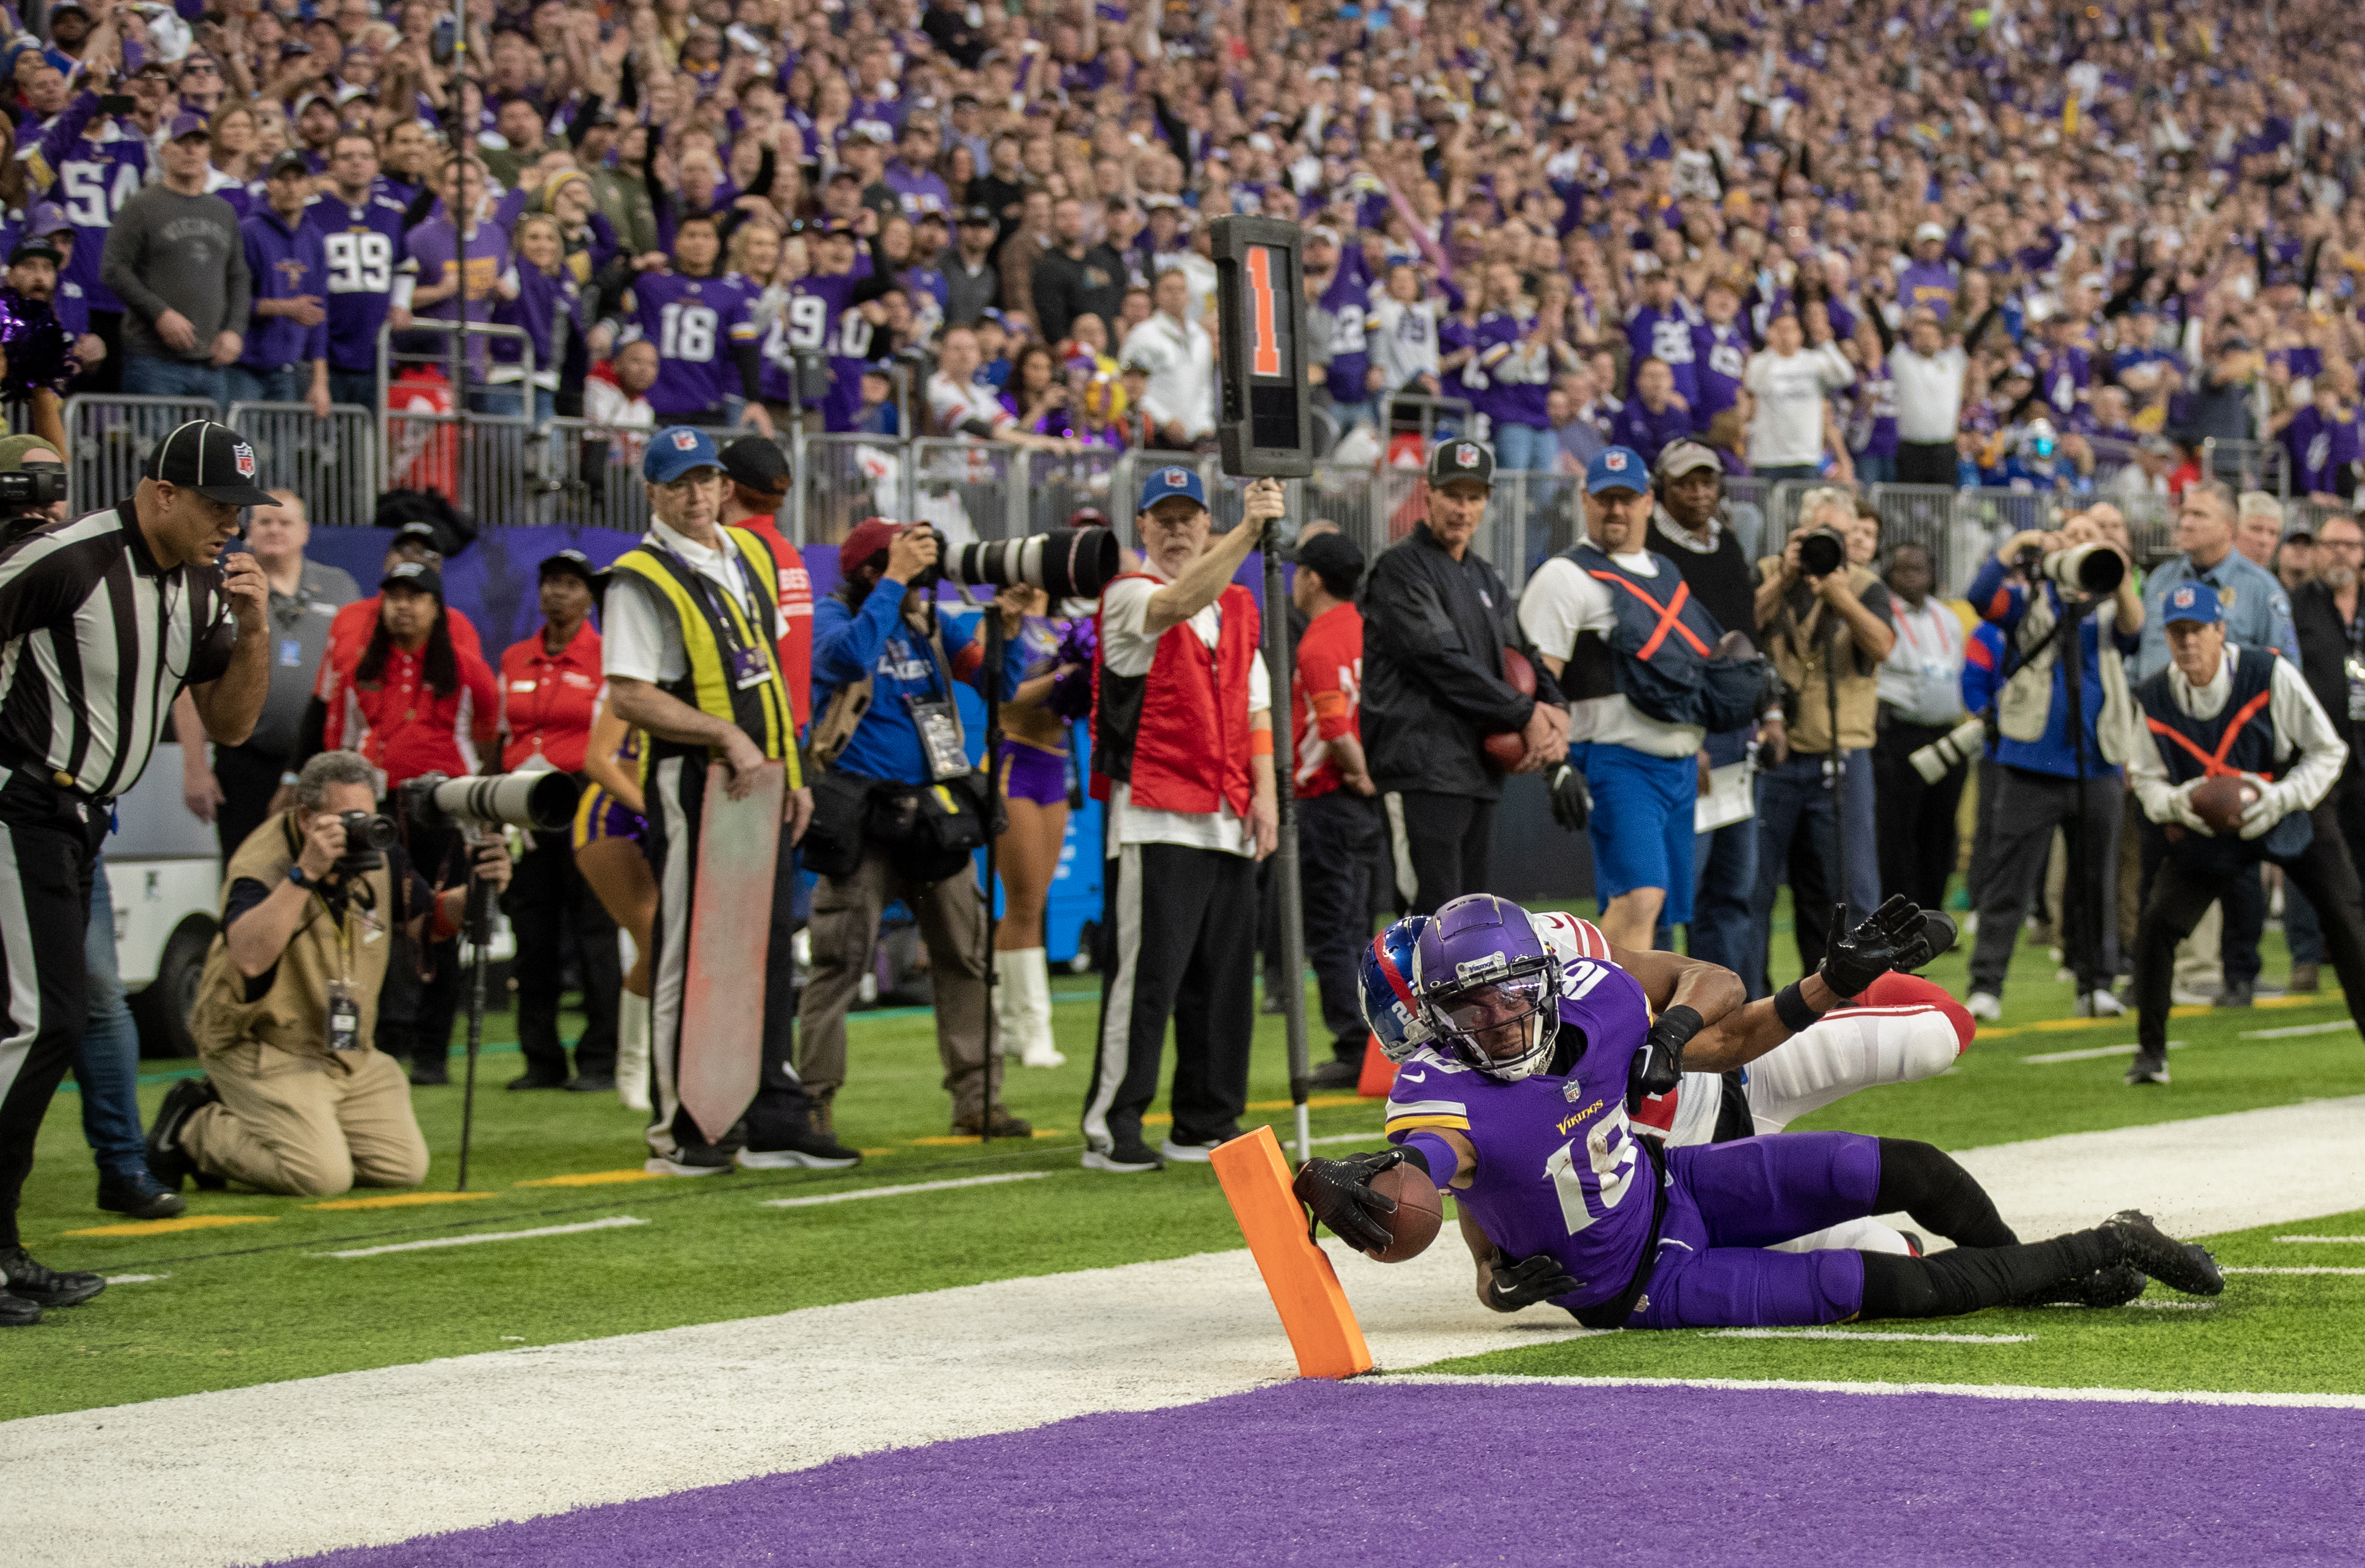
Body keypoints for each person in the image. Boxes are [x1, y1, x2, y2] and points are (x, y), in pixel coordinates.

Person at [1299, 892, 2223, 1327]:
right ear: (1434, 1017)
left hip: (1679, 1172)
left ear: (1544, 971)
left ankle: (2039, 1269)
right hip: (1643, 1287)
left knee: (1907, 1166)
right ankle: (2104, 1245)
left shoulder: (1595, 989)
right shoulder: (1442, 1092)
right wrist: (1379, 1197)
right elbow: (1429, 1171)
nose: (1497, 1020)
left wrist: (1826, 983)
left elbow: (1733, 1026)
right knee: (1893, 1280)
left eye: (1509, 995)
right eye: (1468, 1008)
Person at [0, 417, 272, 1327]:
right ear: (161, 493)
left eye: (240, 506)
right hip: (21, 802)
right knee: (40, 1021)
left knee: (54, 1020)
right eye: (216, 504)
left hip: (83, 820)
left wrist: (257, 624)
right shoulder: (69, 557)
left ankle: (3, 1244)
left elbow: (231, 724)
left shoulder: (200, 587)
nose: (230, 522)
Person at [144, 751, 512, 1198]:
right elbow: (250, 958)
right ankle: (194, 1126)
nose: (363, 831)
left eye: (368, 816)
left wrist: (479, 889)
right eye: (347, 820)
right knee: (322, 1177)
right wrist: (306, 873)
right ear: (305, 818)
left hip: (345, 1049)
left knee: (402, 1168)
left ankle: (303, 1123)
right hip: (263, 1043)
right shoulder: (261, 863)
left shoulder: (378, 851)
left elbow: (429, 920)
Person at [604, 426, 822, 1175]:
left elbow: (767, 677)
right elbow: (629, 696)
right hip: (692, 778)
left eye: (706, 481)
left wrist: (791, 774)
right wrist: (723, 737)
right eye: (680, 485)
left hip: (762, 778)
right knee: (688, 953)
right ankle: (681, 1129)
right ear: (653, 493)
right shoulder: (639, 574)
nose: (697, 497)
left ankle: (761, 1114)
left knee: (760, 951)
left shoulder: (747, 554)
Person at [1079, 469, 1286, 1173]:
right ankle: (1113, 1123)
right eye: (1162, 519)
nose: (1175, 531)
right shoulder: (1127, 595)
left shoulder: (1236, 606)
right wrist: (1249, 532)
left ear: (1204, 522)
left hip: (1226, 812)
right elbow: (1174, 601)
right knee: (1146, 983)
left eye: (1187, 517)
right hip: (1154, 815)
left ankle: (1206, 1117)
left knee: (1223, 983)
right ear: (1140, 528)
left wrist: (1265, 796)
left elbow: (1256, 707)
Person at [801, 518, 1030, 1142]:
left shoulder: (929, 620)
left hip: (934, 818)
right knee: (838, 962)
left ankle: (979, 1102)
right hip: (862, 816)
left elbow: (997, 682)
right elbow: (846, 657)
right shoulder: (830, 616)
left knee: (966, 956)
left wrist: (1006, 626)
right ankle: (812, 1102)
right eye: (906, 568)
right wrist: (893, 584)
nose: (921, 582)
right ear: (870, 572)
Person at [2123, 582, 2365, 1085]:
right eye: (2176, 633)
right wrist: (2180, 802)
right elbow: (2144, 778)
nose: (2187, 643)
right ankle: (2150, 1054)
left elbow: (2328, 750)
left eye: (2197, 631)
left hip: (2287, 811)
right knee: (2157, 925)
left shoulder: (2270, 672)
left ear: (2220, 631)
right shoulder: (2151, 697)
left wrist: (2281, 797)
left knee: (2346, 919)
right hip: (2209, 829)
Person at [1520, 446, 1729, 951]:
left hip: (1678, 763)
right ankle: (1583, 1019)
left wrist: (1693, 744)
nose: (1616, 510)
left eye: (1627, 498)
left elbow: (1680, 671)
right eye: (1605, 498)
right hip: (1618, 761)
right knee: (1638, 899)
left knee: (1662, 915)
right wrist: (1556, 764)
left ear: (1647, 502)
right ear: (1584, 499)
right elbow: (1534, 683)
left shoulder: (1665, 570)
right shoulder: (1563, 575)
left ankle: (1647, 1028)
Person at [1362, 439, 1569, 914]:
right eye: (1452, 494)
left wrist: (1557, 709)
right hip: (1420, 767)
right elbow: (1438, 659)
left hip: (1474, 769)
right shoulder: (1399, 567)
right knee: (1428, 918)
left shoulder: (1485, 576)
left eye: (1474, 496)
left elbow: (1523, 652)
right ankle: (1408, 995)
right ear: (1428, 493)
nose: (1462, 507)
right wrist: (1524, 712)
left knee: (1472, 920)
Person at [316, 561, 501, 1084]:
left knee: (440, 926)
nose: (403, 604)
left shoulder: (467, 669)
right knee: (374, 924)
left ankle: (432, 1052)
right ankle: (382, 1042)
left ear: (436, 606)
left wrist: (476, 814)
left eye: (416, 595)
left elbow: (489, 746)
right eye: (394, 594)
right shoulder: (358, 670)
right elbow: (339, 742)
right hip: (377, 812)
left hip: (447, 809)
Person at [1961, 516, 2145, 1020]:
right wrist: (2020, 543)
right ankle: (1987, 985)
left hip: (2099, 759)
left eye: (2090, 537)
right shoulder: (2027, 601)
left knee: (2094, 880)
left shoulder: (2107, 604)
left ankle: (2095, 983)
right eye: (2071, 535)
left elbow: (2134, 629)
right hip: (2030, 760)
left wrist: (2118, 572)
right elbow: (1979, 597)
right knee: (2009, 878)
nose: (2080, 546)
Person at [1750, 489, 1895, 976]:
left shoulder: (1866, 584)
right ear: (1799, 533)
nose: (1826, 545)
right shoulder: (1772, 572)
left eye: (1836, 534)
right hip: (1774, 754)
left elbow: (1881, 645)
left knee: (1851, 890)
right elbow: (1737, 629)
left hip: (1843, 752)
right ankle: (1750, 1002)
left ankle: (1848, 1001)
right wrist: (1787, 577)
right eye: (1818, 534)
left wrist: (1838, 594)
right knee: (1753, 887)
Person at [174, 488, 360, 863]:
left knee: (330, 871)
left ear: (305, 532)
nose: (275, 529)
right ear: (246, 530)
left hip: (321, 763)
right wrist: (195, 768)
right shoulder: (220, 587)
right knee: (248, 871)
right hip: (244, 764)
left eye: (285, 522)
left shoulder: (341, 588)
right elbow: (189, 684)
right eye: (265, 521)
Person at [495, 552, 621, 1093]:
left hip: (584, 795)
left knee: (595, 929)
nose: (558, 593)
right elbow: (499, 734)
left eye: (571, 584)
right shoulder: (515, 657)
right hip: (525, 802)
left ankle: (601, 1056)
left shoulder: (606, 656)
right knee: (533, 931)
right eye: (550, 582)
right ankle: (540, 1056)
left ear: (589, 597)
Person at [1642, 440, 1766, 988]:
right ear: (1661, 489)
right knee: (1672, 887)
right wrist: (1685, 736)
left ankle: (1725, 1010)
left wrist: (1771, 710)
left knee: (1731, 884)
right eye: (1685, 483)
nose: (1697, 493)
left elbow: (1746, 634)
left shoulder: (1728, 544)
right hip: (1685, 733)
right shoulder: (1651, 555)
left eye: (1706, 482)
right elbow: (1661, 652)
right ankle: (1662, 1011)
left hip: (1736, 731)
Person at [1290, 531, 1382, 1091]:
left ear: (1313, 578)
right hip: (1363, 806)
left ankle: (1352, 1045)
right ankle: (1374, 1043)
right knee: (1361, 926)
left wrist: (1360, 771)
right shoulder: (1371, 631)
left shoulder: (1318, 642)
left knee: (1331, 928)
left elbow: (1334, 729)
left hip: (1331, 795)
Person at [99, 112, 250, 404]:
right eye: (182, 143)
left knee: (211, 450)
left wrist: (234, 331)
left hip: (211, 361)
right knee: (158, 449)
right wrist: (160, 314)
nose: (191, 150)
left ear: (208, 150)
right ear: (164, 149)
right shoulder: (141, 206)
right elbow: (113, 269)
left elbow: (239, 277)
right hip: (153, 360)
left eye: (199, 143)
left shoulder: (223, 211)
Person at [1873, 542, 1970, 912]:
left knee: (1941, 829)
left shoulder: (1946, 617)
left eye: (1921, 569)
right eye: (1904, 569)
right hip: (1900, 733)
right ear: (1889, 575)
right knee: (1899, 831)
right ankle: (1898, 918)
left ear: (1933, 574)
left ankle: (1931, 918)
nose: (1914, 576)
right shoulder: (1883, 613)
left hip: (1946, 732)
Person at [574, 690, 657, 1113]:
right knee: (653, 935)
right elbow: (596, 760)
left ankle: (669, 1064)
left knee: (682, 943)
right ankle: (633, 1069)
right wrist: (649, 811)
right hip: (613, 815)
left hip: (673, 815)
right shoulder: (629, 687)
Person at [716, 436, 816, 736]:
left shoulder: (731, 553)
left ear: (727, 488)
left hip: (753, 732)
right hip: (791, 725)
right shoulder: (787, 552)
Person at [231, 149, 333, 416]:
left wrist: (320, 383)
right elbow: (233, 302)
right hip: (244, 367)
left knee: (284, 455)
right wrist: (287, 308)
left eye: (298, 179)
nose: (290, 187)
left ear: (310, 185)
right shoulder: (249, 232)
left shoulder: (315, 239)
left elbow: (319, 314)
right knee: (242, 450)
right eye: (282, 179)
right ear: (269, 184)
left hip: (288, 367)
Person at [1743, 312, 1855, 481]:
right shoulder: (1759, 362)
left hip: (1806, 456)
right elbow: (1753, 384)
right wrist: (1770, 346)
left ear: (1800, 334)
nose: (1786, 335)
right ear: (1771, 333)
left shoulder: (1815, 361)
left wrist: (1827, 345)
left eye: (1791, 330)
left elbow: (1846, 377)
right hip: (1768, 457)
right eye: (1781, 330)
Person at [1888, 309, 1970, 487]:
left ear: (1940, 340)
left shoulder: (1953, 362)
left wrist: (1994, 306)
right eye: (1921, 335)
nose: (1926, 339)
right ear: (1913, 339)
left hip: (1944, 449)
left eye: (1931, 336)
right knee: (1907, 504)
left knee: (1943, 505)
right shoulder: (1903, 361)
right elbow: (1885, 336)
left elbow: (1973, 339)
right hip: (1911, 449)